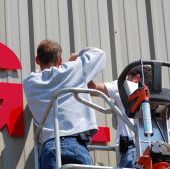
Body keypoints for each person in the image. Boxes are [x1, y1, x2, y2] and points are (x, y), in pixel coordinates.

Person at [23, 39, 106, 169]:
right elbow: (99, 54)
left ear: (37, 60)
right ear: (60, 59)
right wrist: (76, 56)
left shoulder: (30, 82)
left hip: (49, 146)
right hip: (75, 145)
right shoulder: (73, 69)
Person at [88, 66, 152, 168]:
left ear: (137, 77)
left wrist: (81, 70)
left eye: (128, 77)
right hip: (154, 152)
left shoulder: (125, 85)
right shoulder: (156, 94)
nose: (127, 80)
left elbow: (92, 88)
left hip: (132, 151)